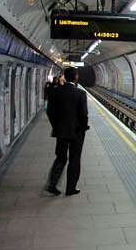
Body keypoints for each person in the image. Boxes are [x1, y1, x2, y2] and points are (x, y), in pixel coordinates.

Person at [45, 67, 89, 196]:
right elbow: (84, 114)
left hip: (61, 131)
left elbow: (49, 111)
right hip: (77, 132)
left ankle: (52, 184)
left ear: (64, 76)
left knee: (60, 157)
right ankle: (71, 188)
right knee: (74, 159)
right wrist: (83, 127)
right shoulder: (80, 94)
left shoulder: (56, 92)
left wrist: (56, 125)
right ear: (75, 77)